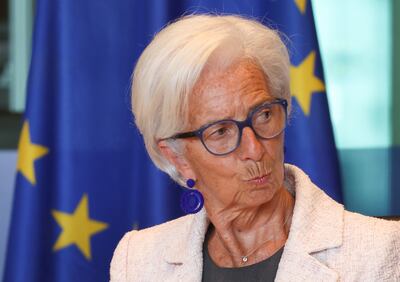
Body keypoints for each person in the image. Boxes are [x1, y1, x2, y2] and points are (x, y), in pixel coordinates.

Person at [110, 14, 400, 281]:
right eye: (221, 131)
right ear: (177, 156)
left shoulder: (379, 250)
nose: (255, 148)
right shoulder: (137, 260)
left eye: (263, 115)